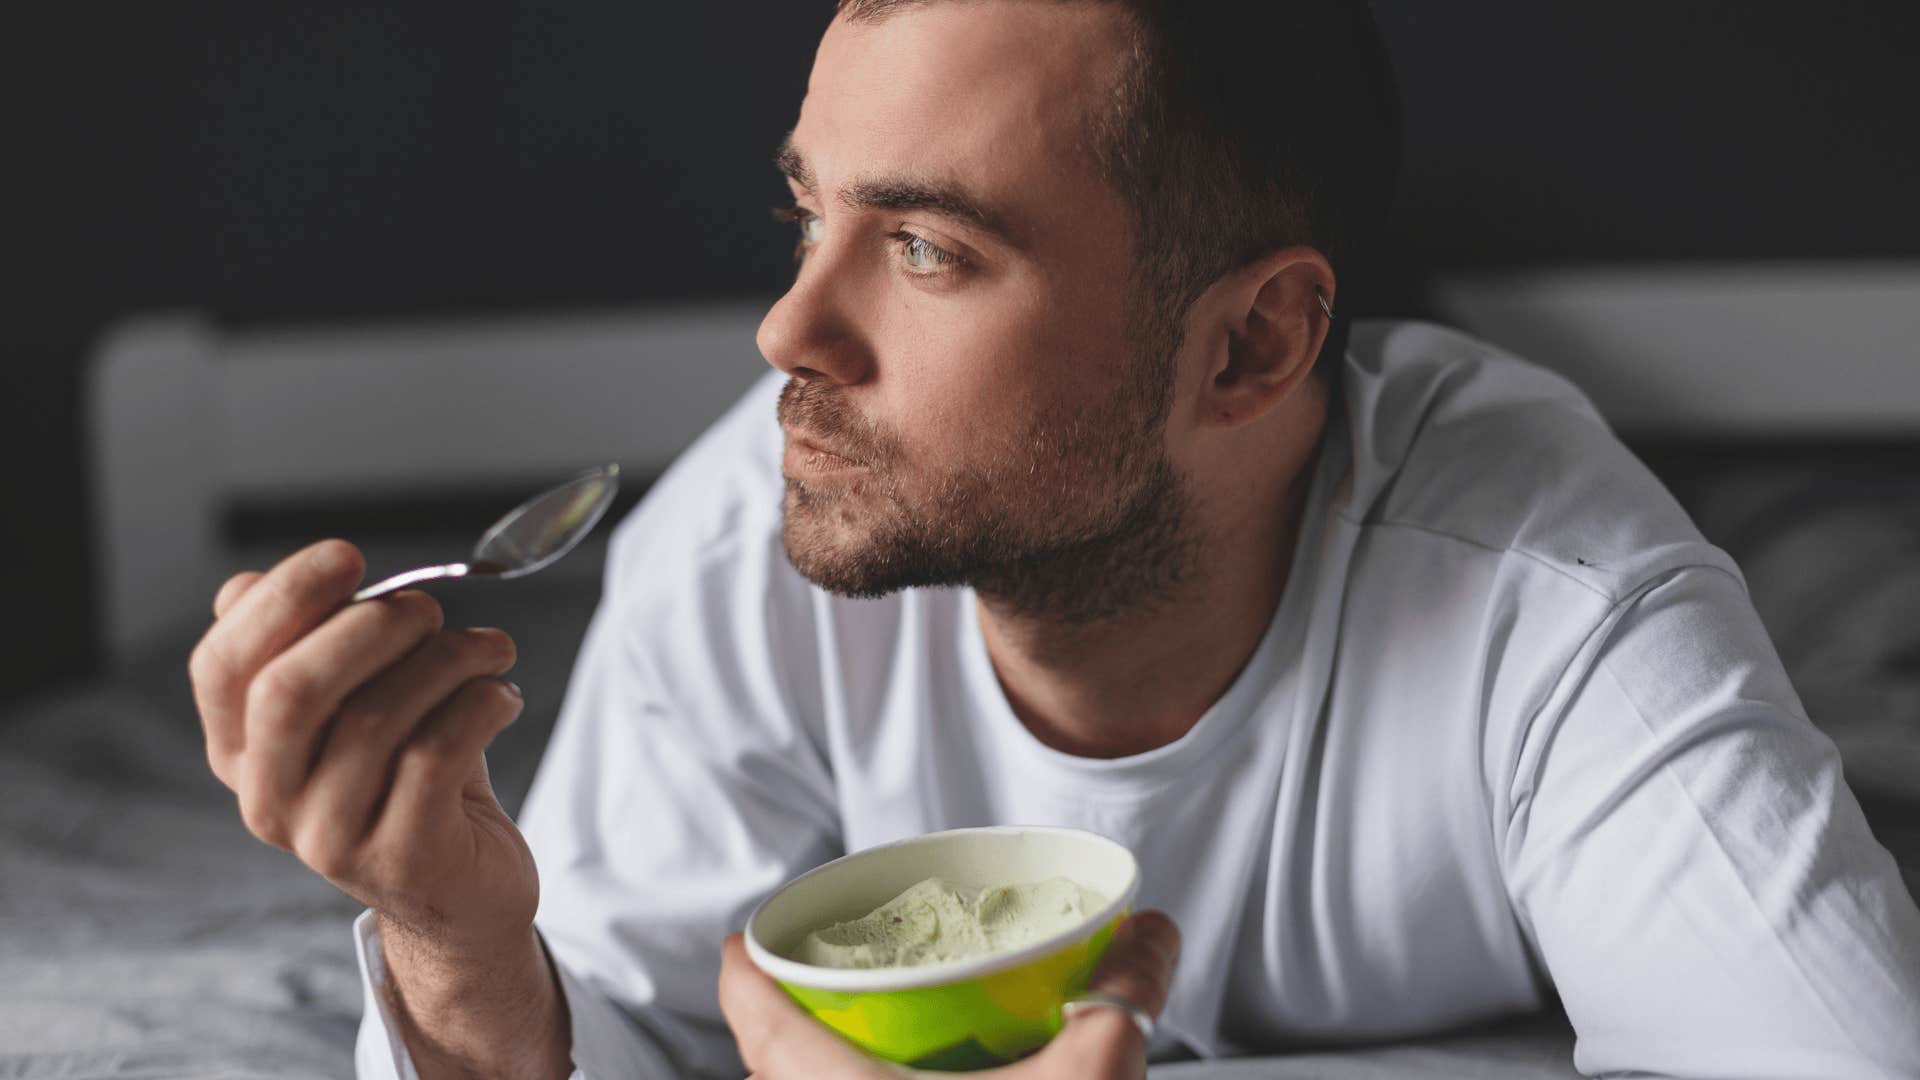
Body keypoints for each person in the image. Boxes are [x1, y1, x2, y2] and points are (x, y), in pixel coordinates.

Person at [187, 2, 1920, 1077]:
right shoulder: (739, 547)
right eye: (808, 213)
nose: (789, 332)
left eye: (929, 248)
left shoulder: (1560, 599)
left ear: (1250, 345)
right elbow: (603, 1038)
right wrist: (460, 952)